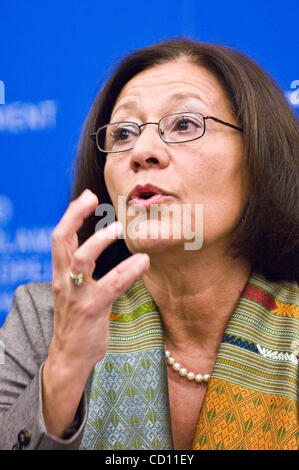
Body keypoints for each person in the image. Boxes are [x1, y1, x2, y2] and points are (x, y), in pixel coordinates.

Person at [0, 38, 298, 451]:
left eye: (184, 124)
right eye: (123, 133)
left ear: (257, 156)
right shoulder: (44, 321)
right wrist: (63, 369)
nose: (142, 151)